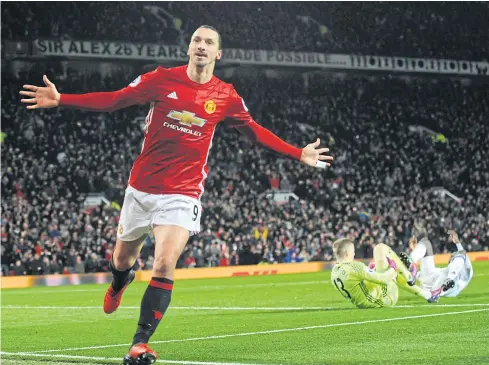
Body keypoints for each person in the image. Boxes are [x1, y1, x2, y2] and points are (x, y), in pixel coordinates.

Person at [20, 25, 334, 365]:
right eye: (196, 40)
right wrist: (62, 98)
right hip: (141, 189)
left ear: (218, 54)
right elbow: (115, 99)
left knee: (165, 262)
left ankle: (139, 344)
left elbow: (254, 131)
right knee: (123, 259)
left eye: (209, 42)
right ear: (188, 48)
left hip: (182, 194)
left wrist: (296, 152)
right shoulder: (161, 79)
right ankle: (118, 281)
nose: (201, 46)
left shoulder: (226, 95)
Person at [331, 238, 440, 309]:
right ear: (347, 253)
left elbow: (357, 285)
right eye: (353, 250)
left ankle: (425, 291)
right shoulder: (354, 267)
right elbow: (383, 279)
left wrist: (371, 270)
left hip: (365, 300)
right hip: (384, 298)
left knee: (380, 260)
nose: (354, 253)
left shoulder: (334, 272)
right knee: (381, 249)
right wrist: (392, 267)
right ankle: (410, 275)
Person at [400, 230, 474, 298]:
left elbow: (463, 255)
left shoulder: (463, 274)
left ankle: (447, 283)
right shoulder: (447, 269)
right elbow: (423, 275)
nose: (452, 255)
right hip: (433, 282)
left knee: (460, 255)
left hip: (448, 286)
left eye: (453, 255)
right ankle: (412, 262)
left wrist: (457, 243)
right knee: (426, 242)